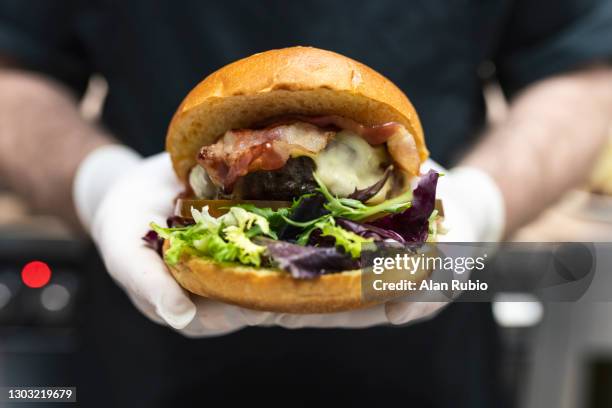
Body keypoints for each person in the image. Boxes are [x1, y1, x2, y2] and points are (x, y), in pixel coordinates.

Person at [1, 1, 611, 406]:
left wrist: (483, 202)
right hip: (144, 349)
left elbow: (581, 71)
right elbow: (14, 70)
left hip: (431, 363)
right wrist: (101, 184)